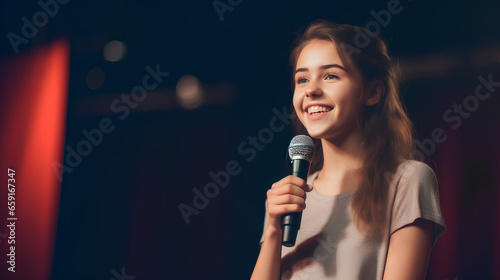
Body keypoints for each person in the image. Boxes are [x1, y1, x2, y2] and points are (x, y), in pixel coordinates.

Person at [250, 19, 446, 280]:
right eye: (302, 79)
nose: (311, 90)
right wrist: (274, 230)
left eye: (330, 75)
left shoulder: (407, 180)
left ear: (372, 92)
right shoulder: (285, 198)